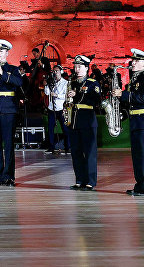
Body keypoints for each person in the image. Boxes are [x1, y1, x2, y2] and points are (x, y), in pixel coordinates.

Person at [114, 48, 144, 196]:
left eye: (136, 61)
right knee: (138, 156)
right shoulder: (136, 78)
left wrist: (124, 94)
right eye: (133, 60)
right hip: (136, 121)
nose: (132, 63)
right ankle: (141, 185)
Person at [0, 39, 24, 186]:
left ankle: (9, 176)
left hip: (8, 111)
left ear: (7, 53)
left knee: (8, 145)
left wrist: (2, 73)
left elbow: (19, 83)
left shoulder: (12, 69)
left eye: (1, 51)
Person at [65, 55, 101, 191]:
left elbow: (95, 100)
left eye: (80, 66)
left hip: (87, 122)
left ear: (86, 68)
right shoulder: (73, 83)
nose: (77, 69)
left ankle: (90, 181)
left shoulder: (93, 83)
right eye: (75, 66)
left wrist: (78, 95)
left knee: (89, 153)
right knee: (76, 152)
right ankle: (79, 179)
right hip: (74, 121)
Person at [43, 65, 70, 155]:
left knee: (65, 128)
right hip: (52, 108)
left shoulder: (65, 83)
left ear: (61, 72)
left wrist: (57, 95)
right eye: (54, 71)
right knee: (50, 128)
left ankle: (68, 147)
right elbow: (47, 93)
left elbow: (66, 95)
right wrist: (47, 85)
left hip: (61, 108)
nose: (55, 73)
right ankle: (51, 147)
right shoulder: (52, 82)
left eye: (57, 71)